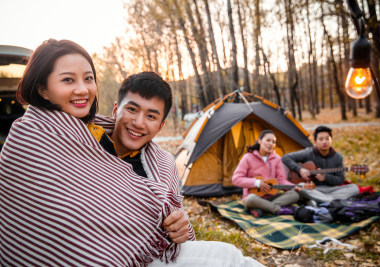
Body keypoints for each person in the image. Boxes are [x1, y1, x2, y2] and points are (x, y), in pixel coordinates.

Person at [0, 39, 263, 266]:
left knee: (230, 256)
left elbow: (170, 221)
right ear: (43, 89)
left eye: (88, 78)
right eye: (68, 79)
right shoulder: (33, 140)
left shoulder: (162, 163)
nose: (82, 89)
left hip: (147, 255)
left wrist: (179, 225)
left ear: (161, 126)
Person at [281, 125, 359, 204]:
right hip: (313, 188)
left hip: (331, 189)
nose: (324, 142)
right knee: (301, 186)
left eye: (327, 139)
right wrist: (300, 169)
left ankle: (320, 200)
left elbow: (340, 180)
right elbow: (285, 158)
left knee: (354, 188)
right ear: (315, 141)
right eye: (321, 139)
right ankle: (332, 201)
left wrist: (325, 177)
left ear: (331, 140)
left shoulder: (337, 157)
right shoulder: (308, 153)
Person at [232, 130, 301, 217]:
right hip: (254, 197)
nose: (271, 143)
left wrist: (292, 187)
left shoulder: (277, 159)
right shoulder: (247, 157)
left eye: (273, 142)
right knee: (250, 199)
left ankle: (262, 209)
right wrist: (257, 183)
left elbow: (281, 179)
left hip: (271, 197)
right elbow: (236, 179)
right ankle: (278, 209)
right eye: (268, 140)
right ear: (259, 141)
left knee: (294, 195)